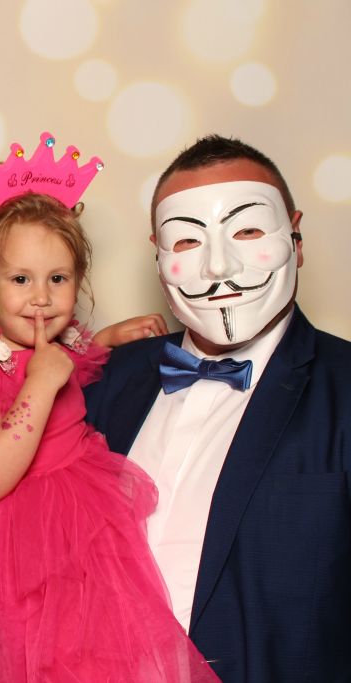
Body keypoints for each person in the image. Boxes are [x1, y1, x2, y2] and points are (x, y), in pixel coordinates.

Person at [0, 133, 218, 681]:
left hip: (87, 526)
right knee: (44, 657)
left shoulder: (57, 347)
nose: (41, 297)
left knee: (104, 651)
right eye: (21, 279)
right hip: (23, 543)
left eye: (58, 279)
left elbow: (73, 359)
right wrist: (39, 387)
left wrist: (108, 337)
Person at [84, 134, 351, 682]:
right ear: (159, 255)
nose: (218, 266)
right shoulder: (101, 380)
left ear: (295, 237)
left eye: (247, 231)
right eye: (187, 241)